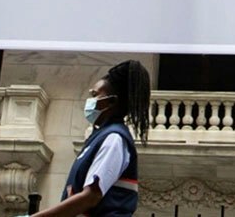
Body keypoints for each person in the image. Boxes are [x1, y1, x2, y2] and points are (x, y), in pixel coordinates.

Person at [27, 61, 152, 217]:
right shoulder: (99, 137)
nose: (90, 101)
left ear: (111, 102)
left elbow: (91, 197)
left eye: (95, 95)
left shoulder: (114, 138)